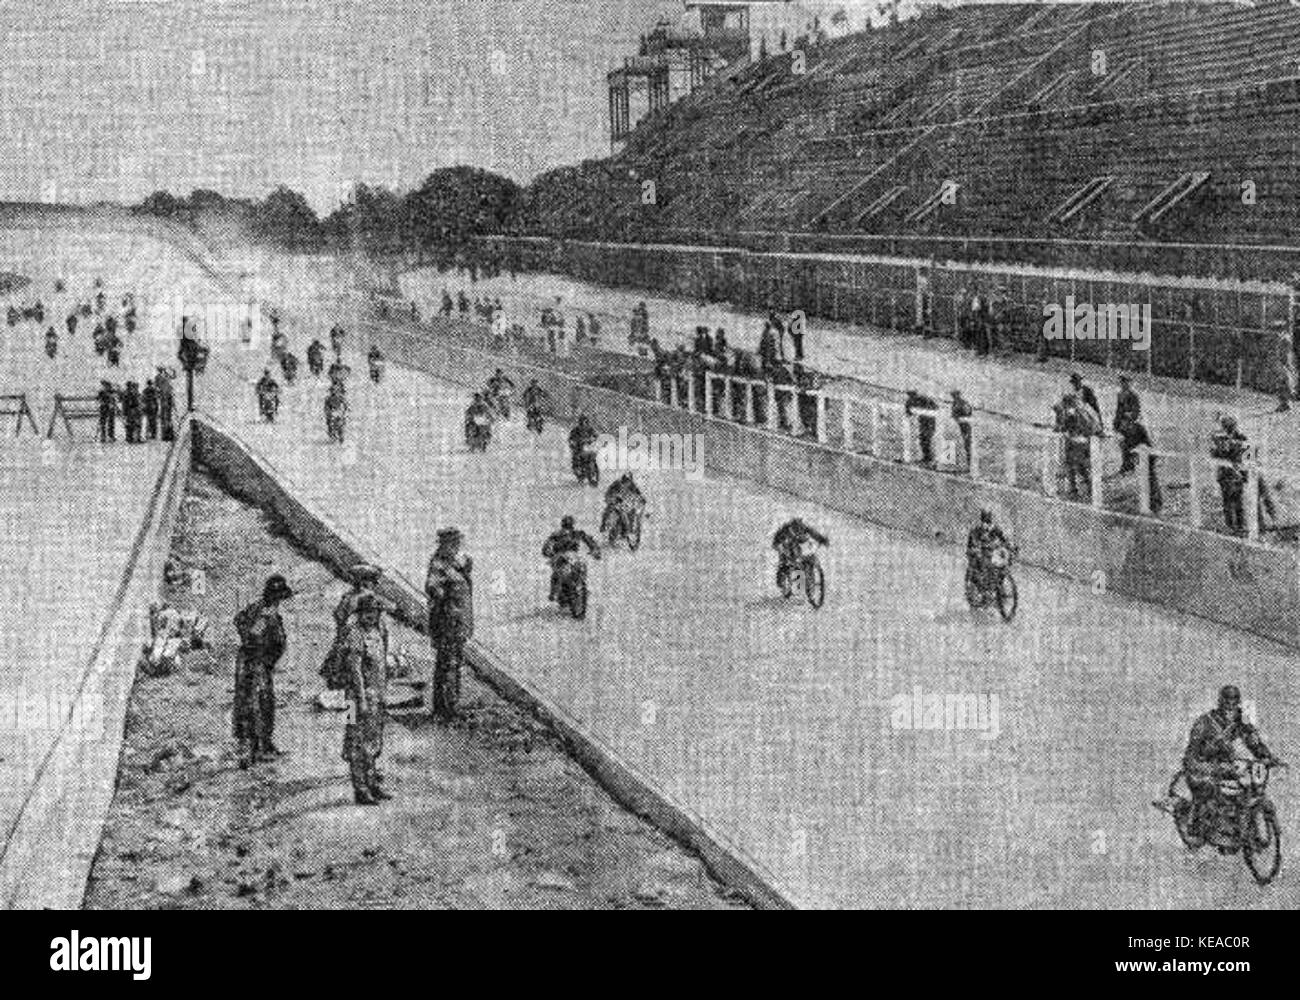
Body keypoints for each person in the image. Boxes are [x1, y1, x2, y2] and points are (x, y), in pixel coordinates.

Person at [1182, 686, 1282, 842]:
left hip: (1226, 765)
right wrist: (1208, 767)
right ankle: (1197, 826)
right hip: (1201, 765)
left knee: (1245, 786)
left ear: (1238, 702)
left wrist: (1267, 756)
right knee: (1209, 789)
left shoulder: (1240, 719)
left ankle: (1238, 825)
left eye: (1234, 701)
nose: (1230, 705)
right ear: (1220, 701)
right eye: (1227, 701)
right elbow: (1192, 754)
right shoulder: (1204, 723)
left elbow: (1252, 740)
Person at [233, 575, 293, 768]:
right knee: (257, 704)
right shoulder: (265, 613)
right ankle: (254, 749)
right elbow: (254, 634)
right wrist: (263, 655)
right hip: (255, 664)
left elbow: (239, 619)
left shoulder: (260, 606)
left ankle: (262, 744)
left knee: (260, 703)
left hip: (254, 662)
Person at [341, 593, 390, 804]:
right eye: (367, 612)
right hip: (354, 699)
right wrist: (360, 699)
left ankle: (371, 783)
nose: (371, 616)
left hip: (374, 696)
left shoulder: (377, 633)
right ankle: (360, 788)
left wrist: (382, 694)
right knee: (355, 740)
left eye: (375, 612)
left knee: (372, 740)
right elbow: (354, 670)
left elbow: (381, 667)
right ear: (360, 614)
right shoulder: (355, 634)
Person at [319, 564, 384, 711]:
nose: (374, 585)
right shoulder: (368, 598)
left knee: (350, 691)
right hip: (361, 650)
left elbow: (339, 617)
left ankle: (352, 721)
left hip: (343, 647)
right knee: (362, 686)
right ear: (365, 582)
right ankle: (362, 715)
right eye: (372, 581)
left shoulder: (347, 597)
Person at [425, 528, 473, 721]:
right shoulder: (439, 565)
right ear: (443, 545)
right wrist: (441, 596)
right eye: (452, 544)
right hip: (447, 624)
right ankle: (446, 709)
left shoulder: (455, 564)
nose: (455, 548)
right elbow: (431, 586)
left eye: (457, 544)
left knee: (454, 664)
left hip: (457, 624)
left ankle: (450, 705)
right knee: (448, 665)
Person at [542, 516, 601, 603]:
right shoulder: (559, 534)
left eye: (568, 526)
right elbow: (547, 546)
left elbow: (589, 541)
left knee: (581, 566)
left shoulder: (573, 533)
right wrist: (594, 550)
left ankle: (581, 586)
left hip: (571, 556)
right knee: (557, 572)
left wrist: (595, 550)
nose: (567, 529)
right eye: (567, 526)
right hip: (562, 556)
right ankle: (554, 592)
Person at [1212, 415, 1248, 533]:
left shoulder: (1242, 438)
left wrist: (1246, 475)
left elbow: (1249, 456)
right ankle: (1232, 526)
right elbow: (1215, 454)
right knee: (1229, 502)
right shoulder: (1220, 439)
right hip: (1226, 476)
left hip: (1236, 475)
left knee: (1237, 502)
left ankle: (1239, 526)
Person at [772, 517, 828, 591]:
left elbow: (813, 533)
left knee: (809, 557)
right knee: (786, 564)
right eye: (796, 531)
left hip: (800, 546)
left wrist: (822, 539)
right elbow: (776, 542)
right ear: (791, 528)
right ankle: (782, 582)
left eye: (800, 531)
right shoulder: (784, 531)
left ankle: (808, 578)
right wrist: (780, 547)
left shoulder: (804, 528)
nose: (798, 532)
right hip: (787, 547)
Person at [965, 509, 1010, 592]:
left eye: (988, 521)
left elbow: (1002, 537)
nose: (987, 524)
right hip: (976, 551)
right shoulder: (976, 529)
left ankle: (999, 584)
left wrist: (1007, 545)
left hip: (990, 551)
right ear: (982, 520)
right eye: (985, 521)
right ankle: (978, 587)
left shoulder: (994, 528)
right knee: (981, 564)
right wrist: (977, 547)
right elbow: (973, 541)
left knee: (1001, 565)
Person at [602, 471, 646, 536]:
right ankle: (603, 524)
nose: (627, 482)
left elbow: (638, 493)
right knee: (609, 509)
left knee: (629, 513)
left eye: (628, 481)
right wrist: (614, 498)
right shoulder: (616, 484)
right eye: (625, 480)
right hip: (615, 502)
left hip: (625, 503)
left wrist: (642, 499)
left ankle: (627, 530)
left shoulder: (632, 485)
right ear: (623, 479)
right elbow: (608, 493)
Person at [1113, 375, 1142, 472]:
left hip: (1131, 422)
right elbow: (1118, 409)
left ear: (1128, 383)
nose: (1122, 384)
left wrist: (1131, 416)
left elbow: (1137, 410)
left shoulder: (1133, 395)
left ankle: (1129, 465)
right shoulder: (1120, 394)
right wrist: (1116, 422)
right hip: (1122, 422)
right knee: (1122, 444)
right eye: (1121, 382)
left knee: (1129, 444)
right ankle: (1127, 464)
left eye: (1124, 382)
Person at [905, 389, 939, 466]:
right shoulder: (910, 401)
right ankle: (927, 458)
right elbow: (908, 413)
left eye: (912, 395)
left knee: (927, 439)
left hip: (929, 423)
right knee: (923, 440)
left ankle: (931, 459)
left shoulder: (924, 399)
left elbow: (935, 409)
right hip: (924, 423)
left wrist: (919, 411)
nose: (911, 397)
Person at [951, 390, 973, 467]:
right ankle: (949, 462)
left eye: (955, 395)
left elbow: (968, 413)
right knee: (952, 442)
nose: (954, 397)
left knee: (968, 445)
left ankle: (970, 464)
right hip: (959, 425)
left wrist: (959, 416)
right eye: (953, 395)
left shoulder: (963, 403)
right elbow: (953, 414)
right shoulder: (955, 403)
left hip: (965, 426)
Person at [156, 368, 176, 441]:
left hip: (167, 399)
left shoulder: (166, 378)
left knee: (168, 418)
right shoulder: (159, 378)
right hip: (165, 400)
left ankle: (168, 434)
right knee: (165, 418)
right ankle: (166, 435)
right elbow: (159, 387)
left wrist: (173, 371)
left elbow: (173, 377)